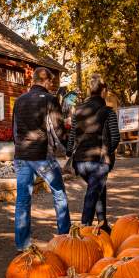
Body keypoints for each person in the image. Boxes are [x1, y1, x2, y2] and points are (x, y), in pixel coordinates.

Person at [12, 67, 71, 251]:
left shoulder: (19, 100)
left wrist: (19, 147)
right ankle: (64, 237)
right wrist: (68, 149)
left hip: (22, 154)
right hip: (41, 154)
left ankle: (22, 244)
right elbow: (57, 129)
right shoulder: (50, 100)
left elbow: (14, 130)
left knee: (22, 199)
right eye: (50, 82)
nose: (51, 86)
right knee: (59, 193)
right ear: (46, 82)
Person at [67, 74, 120, 233]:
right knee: (93, 193)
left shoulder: (78, 111)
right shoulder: (107, 111)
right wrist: (108, 154)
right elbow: (116, 137)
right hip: (99, 160)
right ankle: (84, 231)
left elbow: (72, 137)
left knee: (98, 189)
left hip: (80, 162)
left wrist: (70, 152)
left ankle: (103, 224)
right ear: (103, 90)